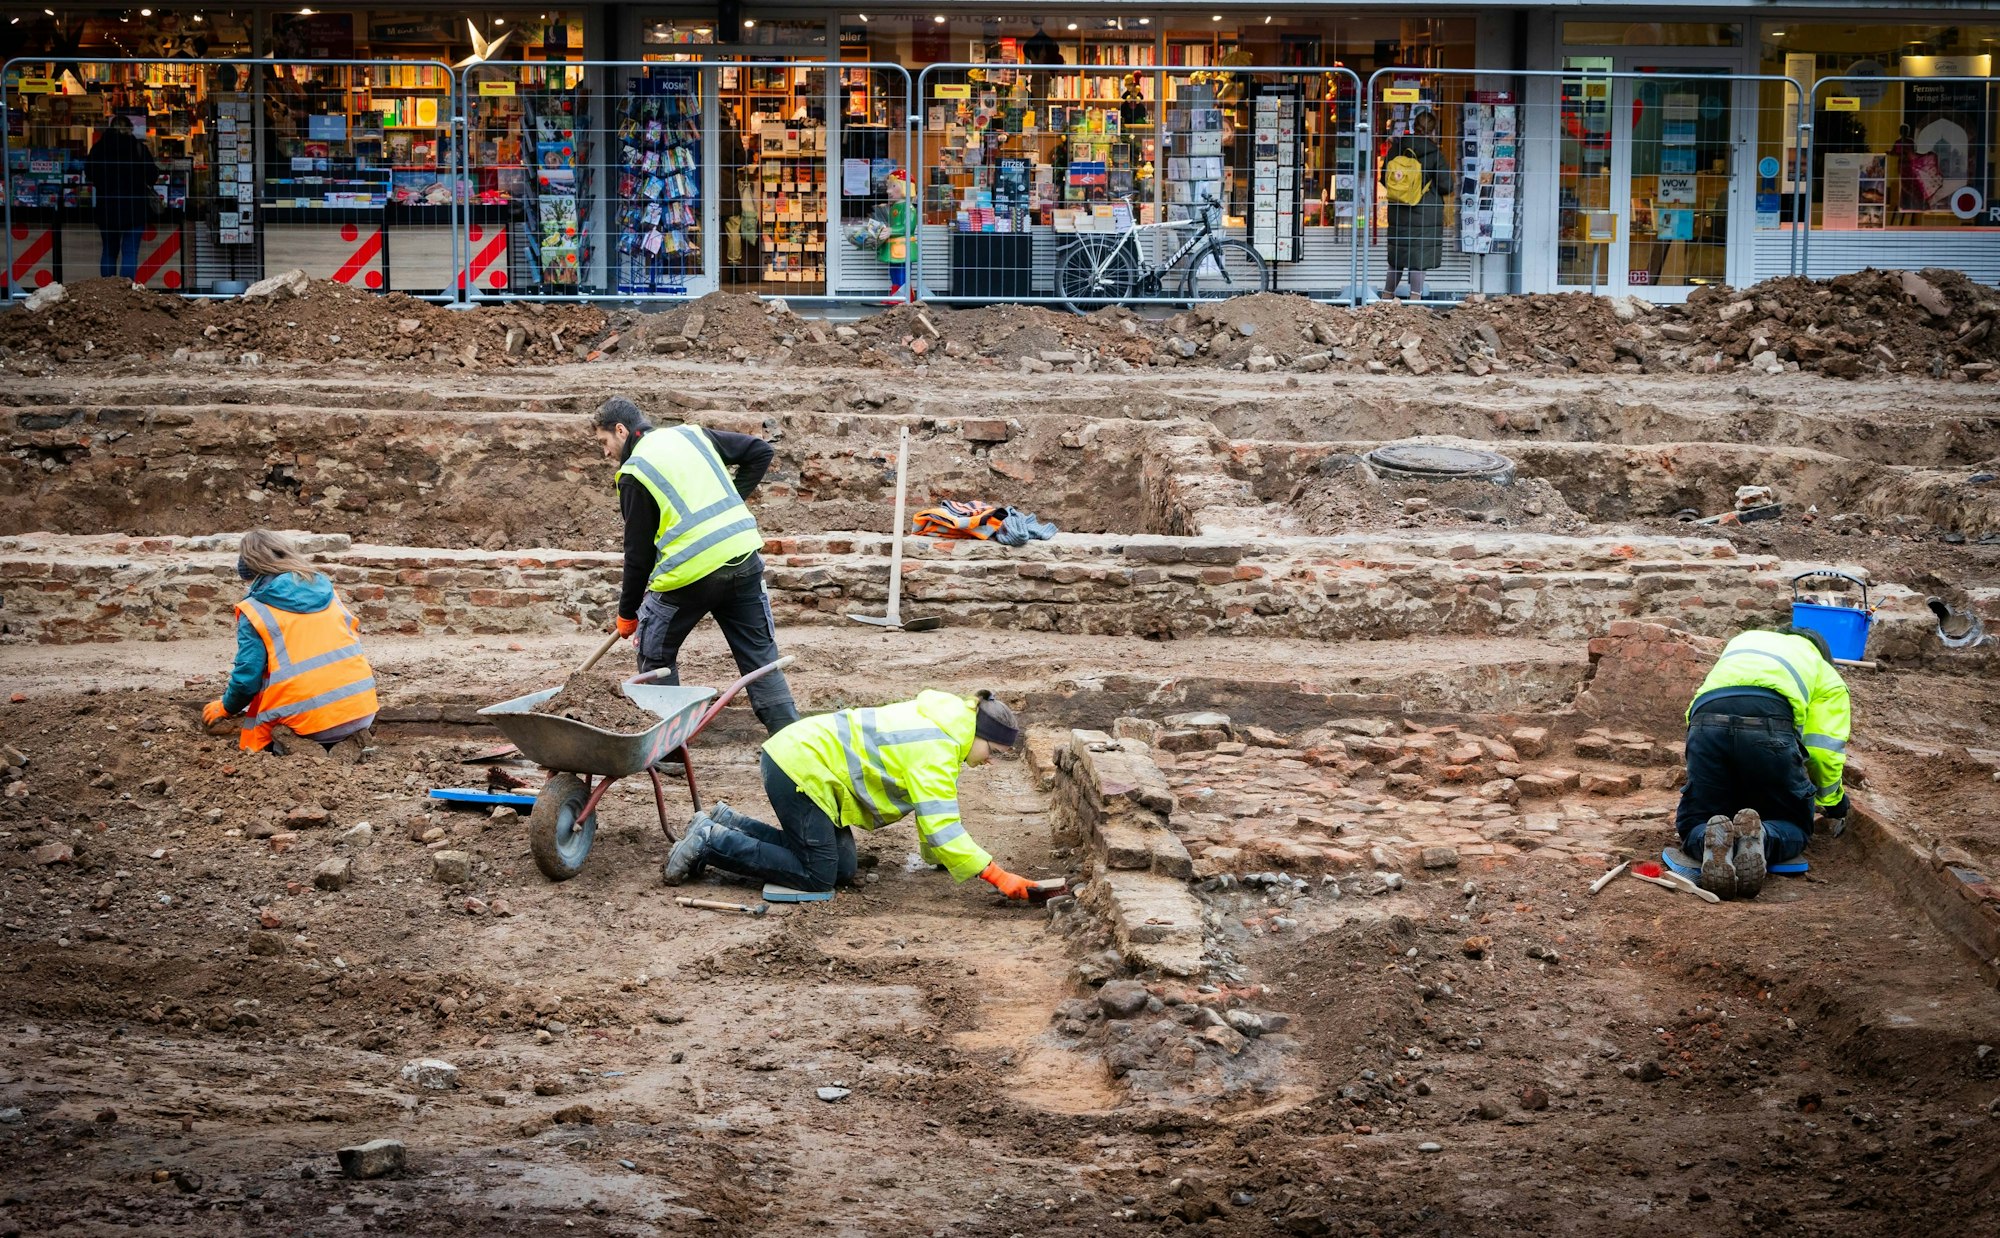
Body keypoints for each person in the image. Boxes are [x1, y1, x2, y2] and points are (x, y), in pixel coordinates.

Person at [663, 689, 1041, 900]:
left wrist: (943, 859)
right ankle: (710, 842)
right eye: (993, 752)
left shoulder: (945, 728)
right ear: (979, 736)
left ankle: (727, 823)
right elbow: (943, 826)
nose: (989, 762)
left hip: (807, 765)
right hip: (800, 769)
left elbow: (932, 816)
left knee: (842, 869)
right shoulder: (936, 748)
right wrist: (995, 875)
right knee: (817, 876)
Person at [595, 397, 799, 735]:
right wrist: (732, 499)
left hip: (689, 576)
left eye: (604, 442)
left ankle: (669, 747)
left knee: (654, 653)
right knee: (761, 660)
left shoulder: (633, 472)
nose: (606, 453)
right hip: (743, 557)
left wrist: (628, 614)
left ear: (621, 430)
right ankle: (792, 740)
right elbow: (759, 452)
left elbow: (638, 555)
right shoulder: (692, 435)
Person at [1674, 625, 1852, 899]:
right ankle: (1762, 839)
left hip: (1705, 722)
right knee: (1793, 823)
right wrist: (1833, 801)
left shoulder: (1745, 640)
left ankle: (1707, 841)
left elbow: (1706, 704)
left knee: (1697, 819)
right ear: (1822, 652)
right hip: (1770, 725)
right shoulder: (1824, 671)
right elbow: (1822, 752)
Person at [202, 530, 378, 759]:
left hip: (312, 724)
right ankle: (349, 743)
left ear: (249, 569)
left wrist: (227, 706)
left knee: (265, 723)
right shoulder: (328, 591)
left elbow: (247, 679)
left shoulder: (256, 609)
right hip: (362, 710)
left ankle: (298, 747)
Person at [1380, 108, 1448, 301]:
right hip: (1425, 212)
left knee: (1397, 256)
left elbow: (1384, 178)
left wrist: (1403, 191)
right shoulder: (1435, 153)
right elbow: (1446, 185)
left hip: (1399, 210)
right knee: (1419, 258)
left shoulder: (1397, 148)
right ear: (1433, 130)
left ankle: (1387, 296)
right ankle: (1415, 299)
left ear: (1414, 126)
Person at [83, 115, 159, 280]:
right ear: (130, 129)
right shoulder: (138, 149)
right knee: (130, 252)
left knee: (109, 251)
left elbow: (89, 173)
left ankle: (108, 291)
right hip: (134, 208)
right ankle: (126, 291)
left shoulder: (98, 149)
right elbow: (152, 175)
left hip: (107, 207)